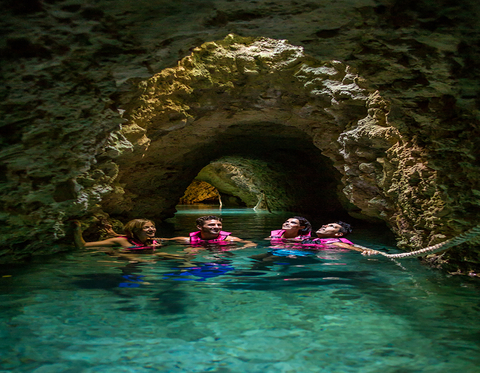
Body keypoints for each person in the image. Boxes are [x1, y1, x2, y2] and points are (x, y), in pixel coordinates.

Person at [166, 215, 256, 249]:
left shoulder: (229, 239)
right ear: (199, 227)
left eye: (219, 225)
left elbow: (251, 243)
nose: (217, 227)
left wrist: (241, 248)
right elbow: (165, 240)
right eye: (211, 225)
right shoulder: (188, 240)